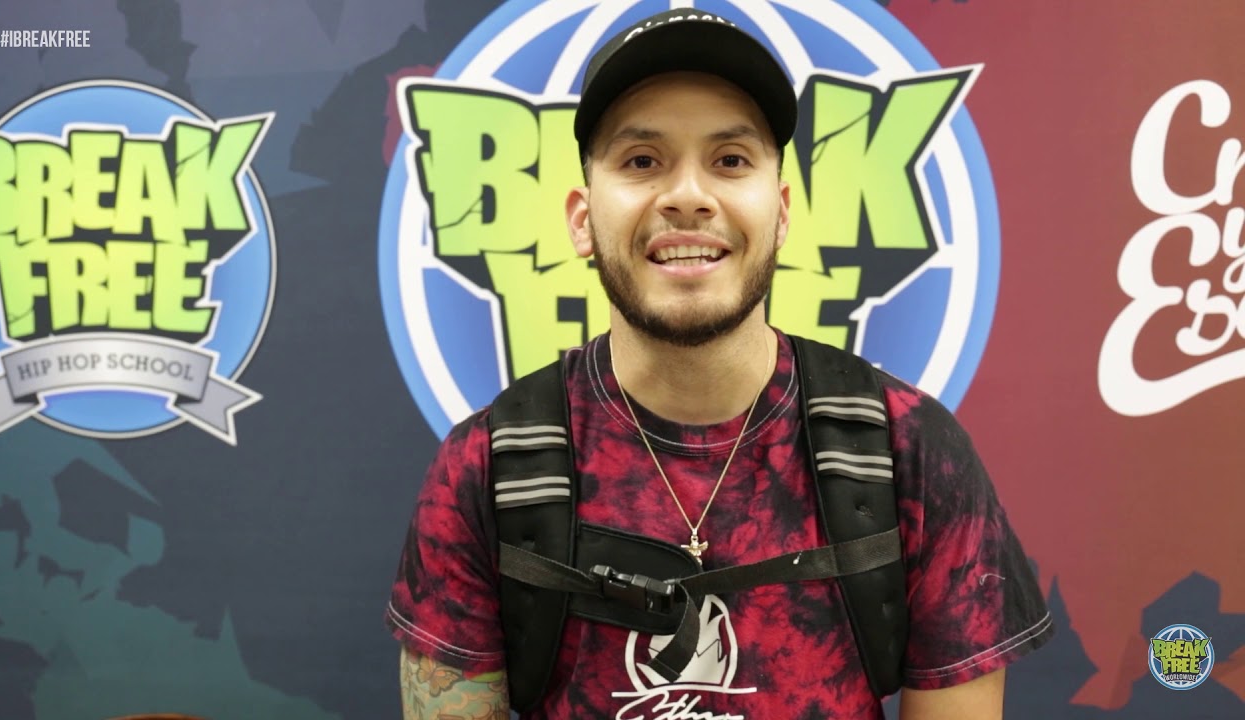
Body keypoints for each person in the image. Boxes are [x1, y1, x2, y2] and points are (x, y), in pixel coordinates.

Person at [387, 9, 1053, 719]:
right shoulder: (486, 469)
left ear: (782, 213)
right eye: (642, 161)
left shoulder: (910, 450)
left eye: (730, 160)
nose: (688, 196)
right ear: (582, 220)